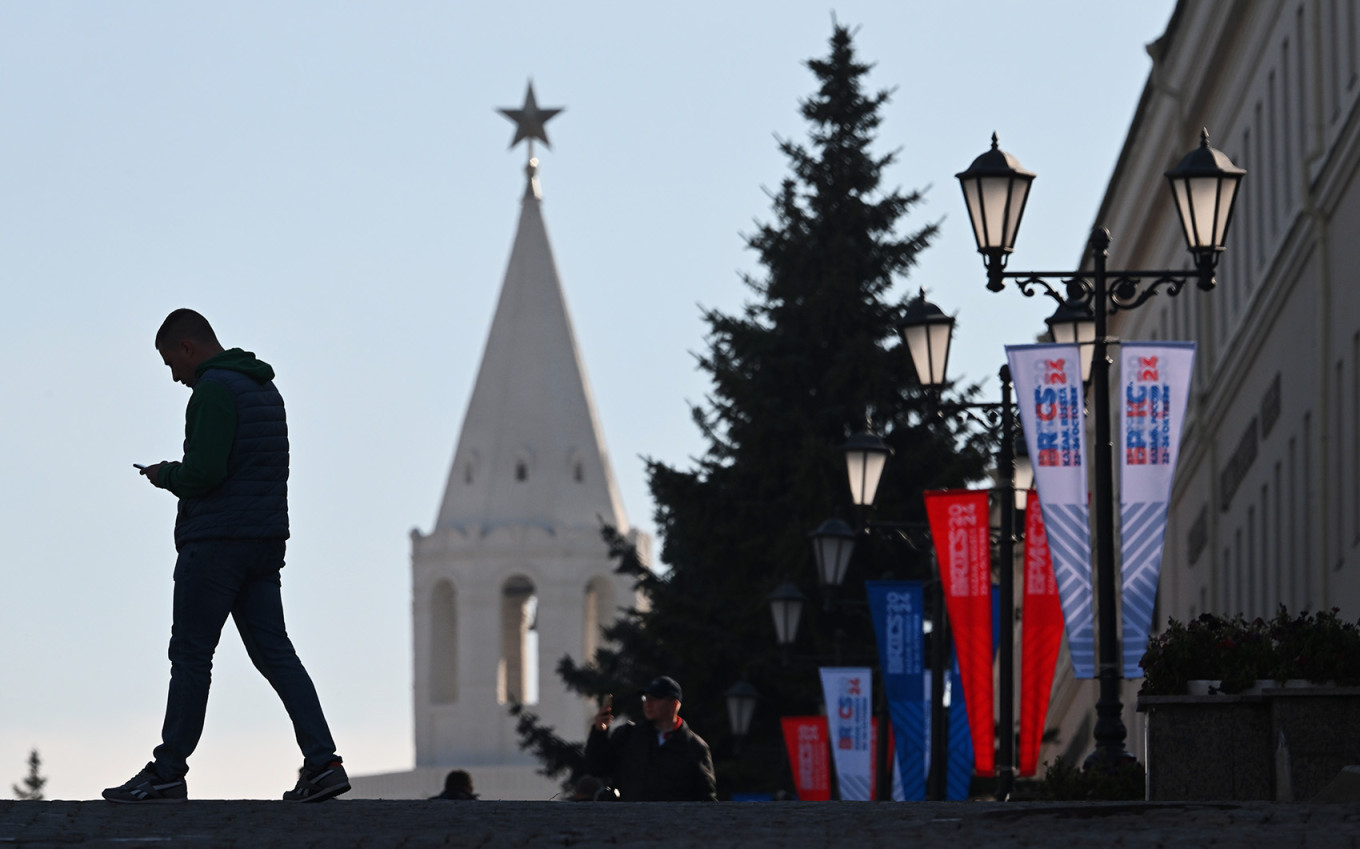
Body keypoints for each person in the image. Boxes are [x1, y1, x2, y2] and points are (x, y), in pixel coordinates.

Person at [103, 309, 348, 804]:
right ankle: (323, 763)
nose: (174, 376)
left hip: (217, 545)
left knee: (191, 656)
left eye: (172, 362)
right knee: (276, 654)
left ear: (188, 347)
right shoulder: (264, 390)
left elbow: (205, 473)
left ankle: (167, 771)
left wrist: (165, 473)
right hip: (263, 542)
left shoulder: (213, 391)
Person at [583, 676, 717, 801]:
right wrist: (599, 733)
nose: (647, 703)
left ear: (674, 705)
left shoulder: (695, 747)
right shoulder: (628, 735)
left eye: (655, 699)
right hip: (630, 822)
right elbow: (597, 768)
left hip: (674, 824)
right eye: (645, 698)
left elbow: (706, 799)